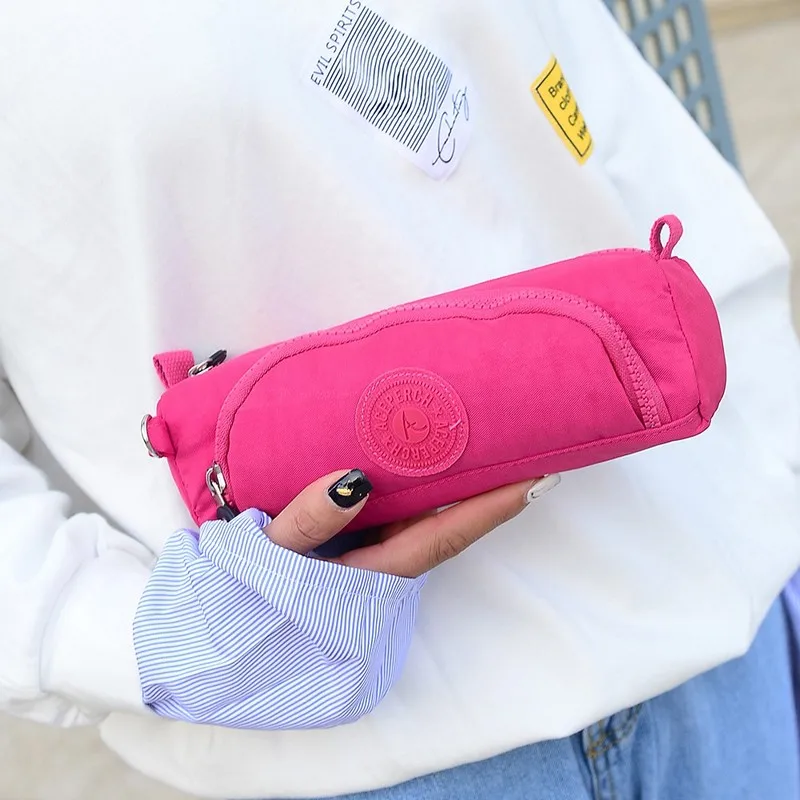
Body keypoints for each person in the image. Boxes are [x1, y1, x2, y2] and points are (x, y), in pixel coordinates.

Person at [1, 1, 799, 798]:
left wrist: (771, 463)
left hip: (713, 637)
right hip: (374, 751)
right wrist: (123, 634)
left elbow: (618, 123)